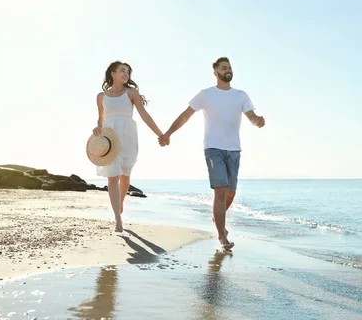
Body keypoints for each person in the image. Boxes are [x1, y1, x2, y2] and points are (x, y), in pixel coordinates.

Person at [158, 57, 265, 250]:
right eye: (224, 68)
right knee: (221, 190)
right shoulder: (206, 94)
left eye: (230, 67)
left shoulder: (241, 95)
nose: (228, 70)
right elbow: (185, 115)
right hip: (213, 148)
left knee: (231, 192)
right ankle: (222, 235)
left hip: (234, 149)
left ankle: (218, 217)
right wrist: (168, 133)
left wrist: (257, 121)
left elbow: (251, 116)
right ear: (215, 73)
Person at [93, 61, 164, 232]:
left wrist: (160, 133)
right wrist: (98, 127)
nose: (126, 74)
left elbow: (144, 114)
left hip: (128, 136)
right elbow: (101, 119)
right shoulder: (101, 97)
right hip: (110, 138)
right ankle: (118, 219)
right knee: (112, 177)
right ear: (113, 73)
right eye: (122, 71)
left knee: (125, 176)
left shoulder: (131, 93)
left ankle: (121, 202)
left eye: (128, 72)